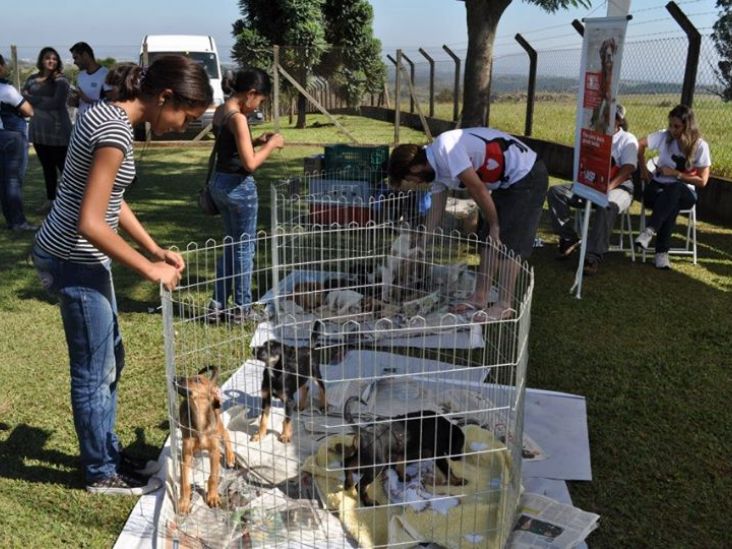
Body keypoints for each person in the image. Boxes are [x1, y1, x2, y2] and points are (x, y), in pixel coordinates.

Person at [31, 55, 213, 495]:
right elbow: (91, 222)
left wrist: (153, 247)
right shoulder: (113, 130)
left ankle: (107, 452)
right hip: (72, 258)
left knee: (112, 357)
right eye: (185, 116)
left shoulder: (110, 115)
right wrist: (149, 269)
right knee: (95, 370)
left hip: (85, 258)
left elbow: (111, 197)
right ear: (164, 97)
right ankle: (99, 471)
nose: (183, 126)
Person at [387, 127, 548, 320]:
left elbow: (477, 189)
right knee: (488, 239)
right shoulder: (437, 171)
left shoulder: (446, 148)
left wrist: (495, 224)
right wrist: (421, 244)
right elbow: (436, 211)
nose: (414, 183)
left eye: (409, 178)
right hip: (506, 182)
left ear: (415, 168)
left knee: (508, 240)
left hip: (526, 174)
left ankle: (504, 305)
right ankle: (479, 297)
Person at [206, 68, 284, 323]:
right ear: (251, 93)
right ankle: (242, 308)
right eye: (260, 101)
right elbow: (249, 164)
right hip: (239, 188)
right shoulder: (238, 117)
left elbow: (231, 149)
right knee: (244, 249)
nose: (258, 106)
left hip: (219, 183)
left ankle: (217, 304)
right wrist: (271, 146)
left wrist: (258, 139)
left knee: (230, 246)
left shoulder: (221, 110)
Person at [547, 104, 638, 275]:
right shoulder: (593, 137)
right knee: (556, 192)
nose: (602, 120)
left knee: (607, 204)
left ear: (618, 120)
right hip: (592, 184)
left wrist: (608, 187)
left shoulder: (627, 139)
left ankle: (593, 256)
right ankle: (568, 237)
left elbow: (628, 168)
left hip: (620, 186)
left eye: (607, 117)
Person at [634, 104, 711, 269]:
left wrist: (676, 174)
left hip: (685, 192)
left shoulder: (700, 146)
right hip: (658, 189)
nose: (672, 129)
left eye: (676, 126)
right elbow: (638, 144)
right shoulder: (665, 136)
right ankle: (661, 253)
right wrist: (643, 169)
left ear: (687, 126)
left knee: (675, 189)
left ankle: (649, 231)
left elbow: (703, 181)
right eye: (670, 125)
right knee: (670, 203)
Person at [22, 47, 72, 214]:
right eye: (47, 58)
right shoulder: (31, 79)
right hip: (39, 130)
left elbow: (56, 103)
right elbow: (23, 97)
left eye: (54, 58)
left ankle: (72, 203)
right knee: (47, 167)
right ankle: (51, 201)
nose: (51, 61)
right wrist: (39, 100)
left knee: (64, 168)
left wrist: (32, 98)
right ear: (41, 60)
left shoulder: (61, 80)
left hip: (58, 130)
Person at [0, 53, 36, 231]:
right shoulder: (6, 90)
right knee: (13, 181)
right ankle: (18, 222)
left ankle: (10, 219)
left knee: (3, 181)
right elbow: (28, 111)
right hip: (11, 136)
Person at [69, 41, 110, 119]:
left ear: (85, 55)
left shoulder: (106, 74)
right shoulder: (80, 75)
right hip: (81, 123)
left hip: (98, 124)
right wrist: (74, 101)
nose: (74, 62)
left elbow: (111, 105)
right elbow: (80, 103)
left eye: (76, 58)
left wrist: (87, 99)